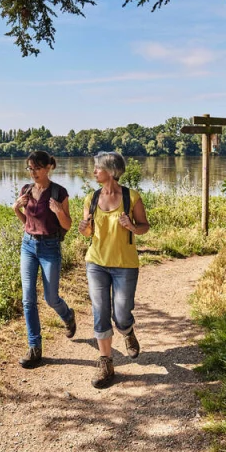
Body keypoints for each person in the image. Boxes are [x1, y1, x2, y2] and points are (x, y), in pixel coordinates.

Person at [78, 151, 150, 388]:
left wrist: (131, 225)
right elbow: (88, 233)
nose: (94, 172)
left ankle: (127, 330)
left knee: (120, 314)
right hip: (96, 263)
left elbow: (144, 227)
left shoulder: (131, 197)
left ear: (110, 170)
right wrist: (84, 228)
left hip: (125, 265)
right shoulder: (91, 198)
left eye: (97, 168)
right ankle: (106, 363)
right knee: (100, 311)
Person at [12, 151, 75, 368]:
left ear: (48, 167)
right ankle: (35, 348)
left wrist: (58, 211)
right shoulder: (26, 190)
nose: (33, 172)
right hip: (28, 246)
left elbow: (67, 225)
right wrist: (15, 208)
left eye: (37, 168)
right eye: (30, 168)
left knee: (51, 298)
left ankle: (67, 316)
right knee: (28, 299)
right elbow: (26, 222)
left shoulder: (59, 192)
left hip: (50, 248)